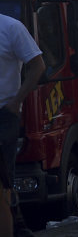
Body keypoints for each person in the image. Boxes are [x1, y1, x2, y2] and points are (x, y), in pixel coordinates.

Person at [0, 13, 44, 183]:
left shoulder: (11, 27)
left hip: (3, 114)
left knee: (3, 180)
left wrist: (16, 102)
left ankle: (8, 205)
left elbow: (38, 65)